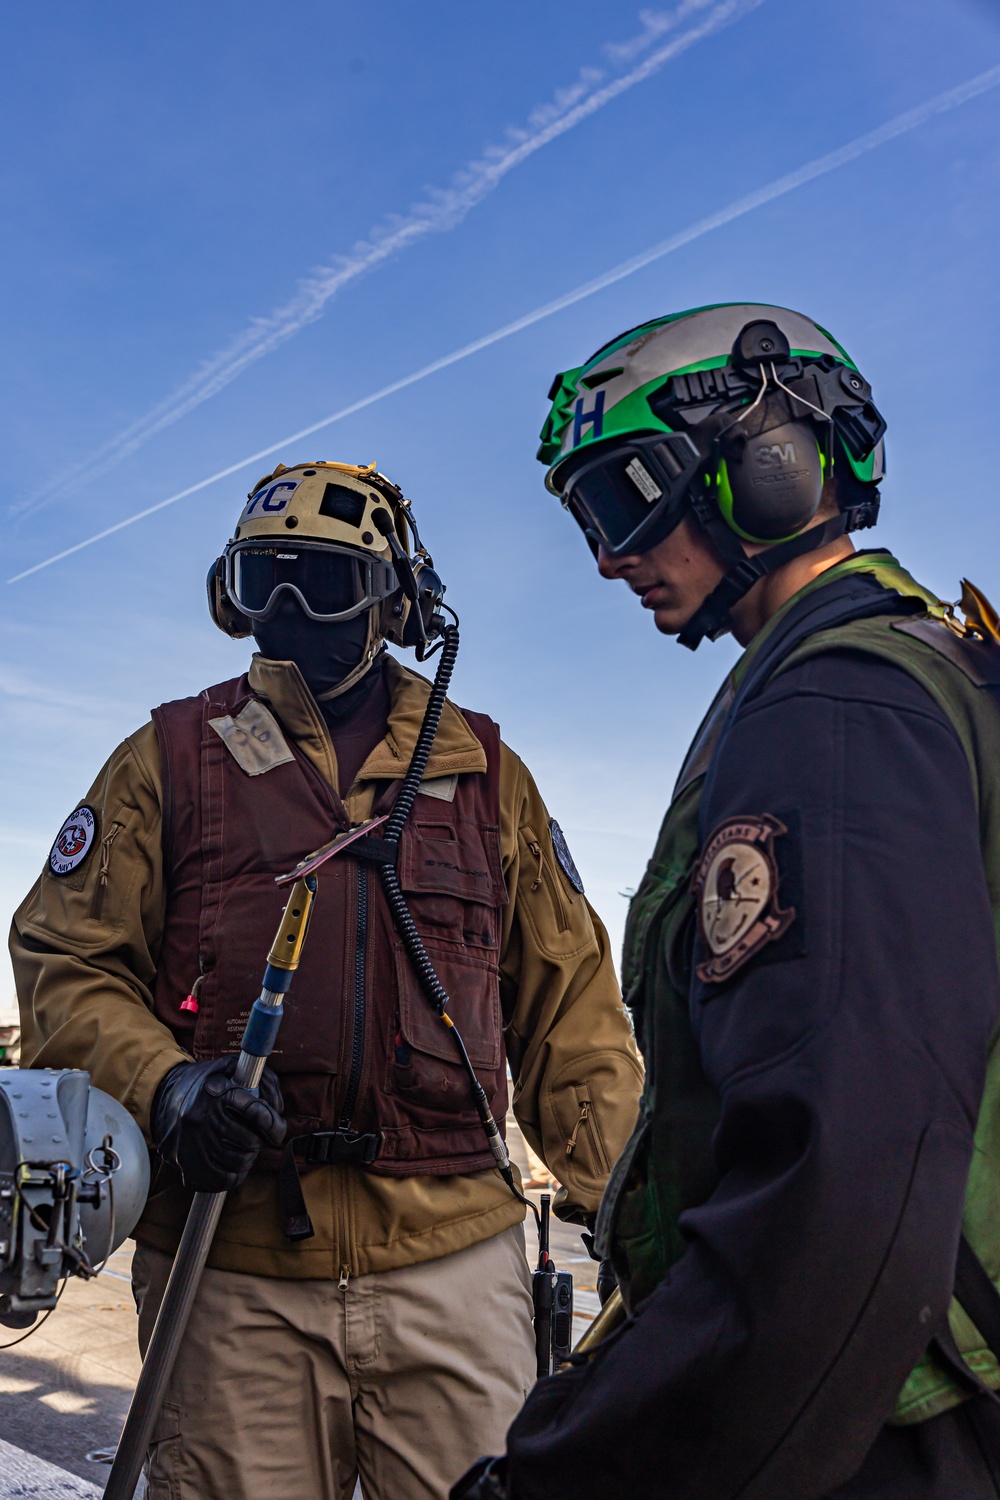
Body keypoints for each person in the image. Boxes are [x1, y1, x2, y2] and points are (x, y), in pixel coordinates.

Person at [10, 459, 643, 1500]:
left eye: (327, 582)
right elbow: (66, 965)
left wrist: (626, 1216)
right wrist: (170, 1087)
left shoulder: (486, 774)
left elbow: (573, 1016)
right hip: (230, 1274)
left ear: (394, 600)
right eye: (269, 581)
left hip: (454, 1262)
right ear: (233, 596)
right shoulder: (169, 757)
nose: (293, 613)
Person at [453, 304, 1000, 1499]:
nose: (608, 555)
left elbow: (836, 1196)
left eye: (624, 498)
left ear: (768, 467)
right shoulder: (917, 670)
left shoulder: (839, 711)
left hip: (874, 1431)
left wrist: (570, 1473)